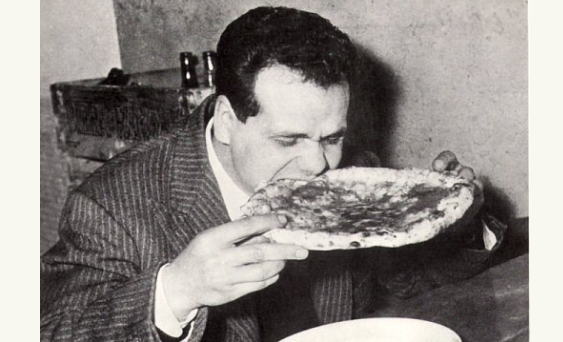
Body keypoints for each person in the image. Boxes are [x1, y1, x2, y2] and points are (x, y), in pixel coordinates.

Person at [40, 6, 504, 342]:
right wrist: (175, 291)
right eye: (288, 140)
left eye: (331, 137)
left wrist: (462, 220)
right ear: (225, 119)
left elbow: (407, 279)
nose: (318, 165)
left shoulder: (349, 186)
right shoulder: (111, 203)